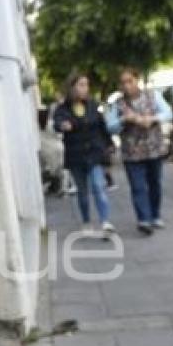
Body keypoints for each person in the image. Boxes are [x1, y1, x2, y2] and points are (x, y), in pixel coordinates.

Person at [106, 67, 173, 235]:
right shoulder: (117, 104)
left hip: (153, 149)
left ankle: (155, 215)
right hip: (131, 153)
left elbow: (168, 112)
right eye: (123, 83)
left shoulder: (153, 96)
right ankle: (143, 219)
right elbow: (110, 127)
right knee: (137, 186)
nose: (127, 86)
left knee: (154, 183)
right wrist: (123, 120)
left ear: (137, 80)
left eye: (130, 81)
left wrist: (152, 119)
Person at [53, 72, 115, 235]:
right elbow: (57, 123)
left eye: (86, 85)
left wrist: (109, 144)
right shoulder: (63, 108)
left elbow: (101, 125)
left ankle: (105, 221)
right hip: (76, 155)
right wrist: (63, 125)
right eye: (81, 85)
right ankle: (86, 221)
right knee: (82, 191)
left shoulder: (92, 105)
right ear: (72, 87)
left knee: (98, 186)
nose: (84, 88)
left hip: (94, 153)